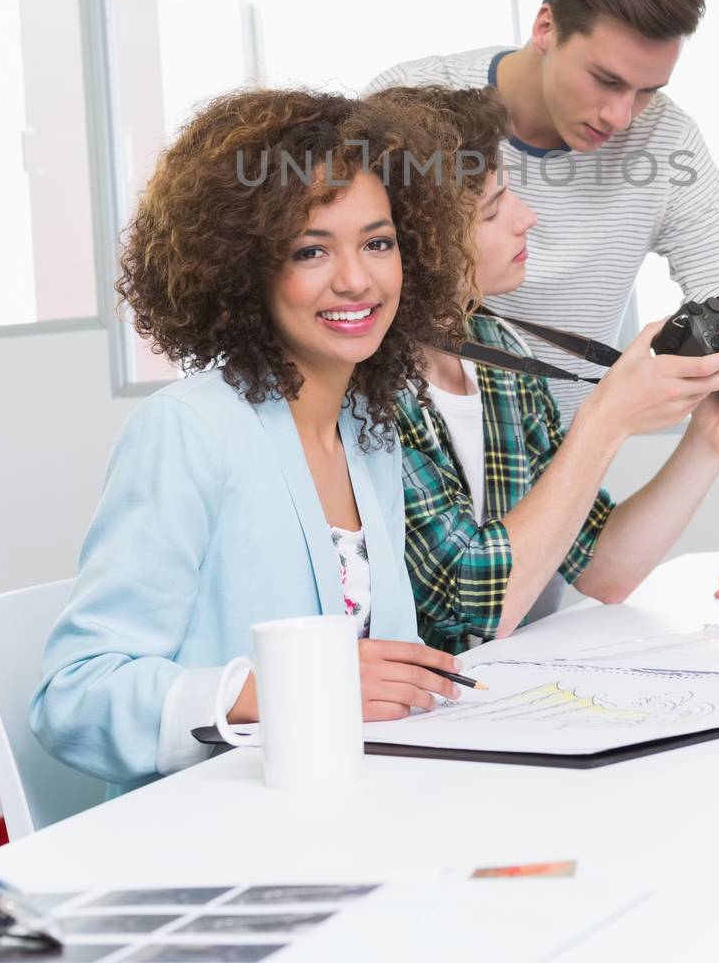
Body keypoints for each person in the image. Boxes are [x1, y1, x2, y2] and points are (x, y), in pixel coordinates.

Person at [366, 0, 719, 606]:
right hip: (413, 462)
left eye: (646, 90)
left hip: (554, 469)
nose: (621, 115)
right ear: (546, 27)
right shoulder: (422, 110)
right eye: (605, 79)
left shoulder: (663, 141)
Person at [30, 88, 469, 790]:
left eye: (378, 243)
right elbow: (75, 699)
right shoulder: (188, 431)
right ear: (245, 267)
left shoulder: (367, 431)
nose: (356, 279)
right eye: (310, 250)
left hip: (351, 807)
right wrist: (287, 689)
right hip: (217, 836)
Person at [386, 86, 719, 653]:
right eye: (493, 209)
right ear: (420, 244)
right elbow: (471, 610)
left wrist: (710, 440)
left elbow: (603, 570)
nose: (527, 218)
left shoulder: (496, 350)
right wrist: (606, 420)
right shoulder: (369, 384)